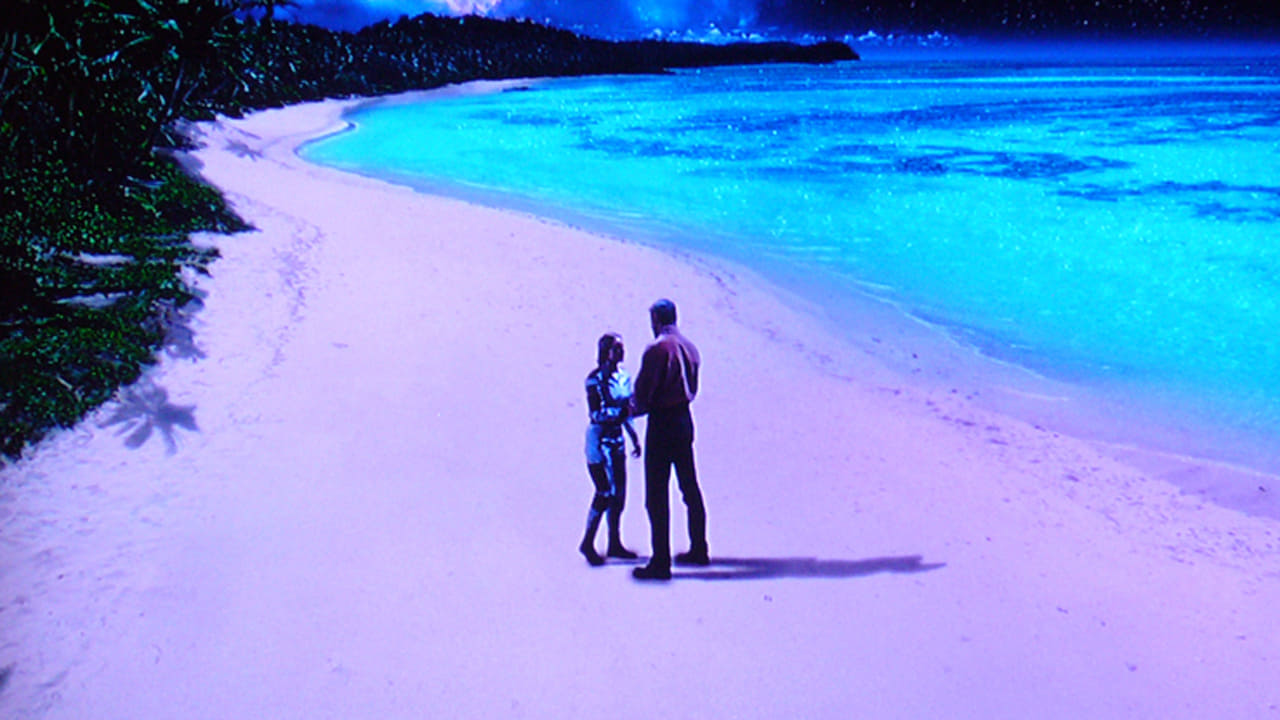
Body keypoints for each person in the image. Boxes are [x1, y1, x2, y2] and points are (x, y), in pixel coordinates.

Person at [629, 299, 708, 581]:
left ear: (656, 320)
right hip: (684, 419)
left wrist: (627, 410)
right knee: (689, 487)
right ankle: (699, 548)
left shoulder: (657, 349)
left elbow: (644, 394)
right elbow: (693, 387)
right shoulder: (691, 347)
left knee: (657, 494)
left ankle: (660, 562)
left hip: (662, 422)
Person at [579, 332, 642, 566]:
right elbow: (595, 413)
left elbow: (628, 409)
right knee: (605, 491)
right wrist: (619, 413)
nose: (621, 352)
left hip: (617, 439)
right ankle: (588, 541)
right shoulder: (595, 380)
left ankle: (614, 541)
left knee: (620, 494)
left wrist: (634, 436)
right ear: (606, 352)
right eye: (617, 348)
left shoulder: (624, 377)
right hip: (600, 440)